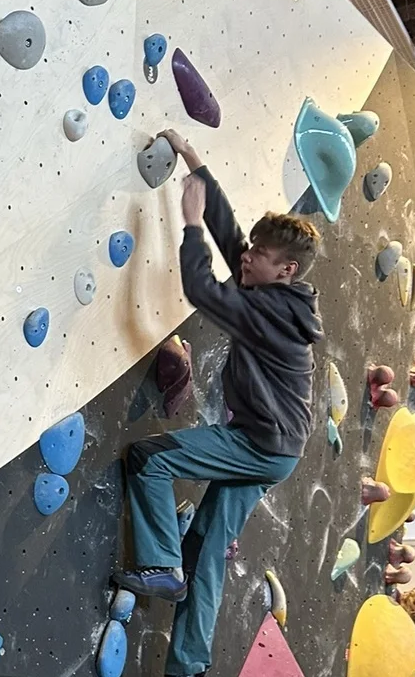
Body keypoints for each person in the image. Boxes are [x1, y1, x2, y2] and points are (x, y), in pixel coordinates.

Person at [111, 130, 324, 677]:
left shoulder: (269, 312)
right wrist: (192, 158)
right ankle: (189, 667)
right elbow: (230, 232)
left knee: (150, 459)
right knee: (206, 548)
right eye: (251, 250)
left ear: (287, 271)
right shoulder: (274, 288)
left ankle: (160, 565)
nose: (246, 258)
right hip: (278, 447)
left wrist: (187, 224)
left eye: (260, 255)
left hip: (259, 444)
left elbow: (203, 288)